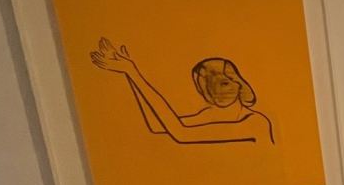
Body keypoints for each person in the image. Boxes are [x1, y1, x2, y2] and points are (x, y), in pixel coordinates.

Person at [90, 38, 275, 145]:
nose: (215, 90)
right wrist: (130, 73)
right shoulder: (209, 115)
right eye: (206, 85)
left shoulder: (257, 122)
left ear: (239, 83)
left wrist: (133, 72)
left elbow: (181, 133)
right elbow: (158, 125)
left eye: (224, 82)